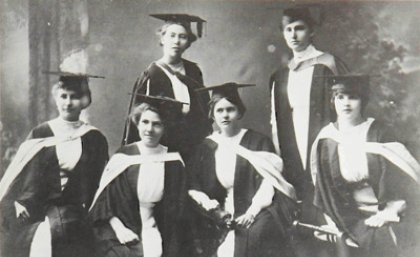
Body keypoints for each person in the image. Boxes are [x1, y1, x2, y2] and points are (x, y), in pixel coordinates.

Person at [0, 72, 109, 257]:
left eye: (74, 97)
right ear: (56, 98)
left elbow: (100, 182)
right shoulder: (41, 132)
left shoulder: (94, 138)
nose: (67, 103)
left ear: (84, 100)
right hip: (37, 209)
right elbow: (22, 176)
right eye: (63, 96)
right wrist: (19, 202)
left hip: (77, 211)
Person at [269, 6, 349, 256]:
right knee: (301, 212)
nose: (293, 34)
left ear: (311, 31)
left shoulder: (328, 63)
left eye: (299, 28)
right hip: (293, 145)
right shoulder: (280, 75)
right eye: (288, 29)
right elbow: (275, 120)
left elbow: (347, 108)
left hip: (324, 142)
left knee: (327, 207)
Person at [311, 75, 420, 257]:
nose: (346, 103)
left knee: (397, 236)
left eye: (353, 97)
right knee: (372, 237)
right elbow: (325, 189)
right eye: (340, 97)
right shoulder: (327, 139)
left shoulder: (379, 132)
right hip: (350, 214)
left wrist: (389, 211)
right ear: (333, 101)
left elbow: (401, 178)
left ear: (363, 101)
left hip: (391, 208)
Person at [187, 83, 297, 257]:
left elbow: (269, 183)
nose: (225, 115)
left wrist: (252, 212)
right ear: (213, 115)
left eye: (230, 109)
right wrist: (214, 211)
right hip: (220, 213)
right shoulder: (206, 147)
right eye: (219, 110)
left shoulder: (258, 141)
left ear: (239, 111)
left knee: (256, 237)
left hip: (258, 208)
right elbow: (195, 185)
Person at [89, 95, 187, 257]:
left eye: (157, 124)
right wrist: (120, 229)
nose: (149, 129)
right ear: (137, 123)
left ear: (165, 127)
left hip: (160, 228)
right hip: (122, 227)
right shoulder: (124, 157)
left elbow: (178, 209)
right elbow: (105, 204)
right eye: (145, 122)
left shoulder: (173, 160)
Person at [122, 13, 212, 159]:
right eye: (172, 35)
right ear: (163, 38)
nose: (176, 41)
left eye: (182, 37)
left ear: (188, 42)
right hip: (163, 146)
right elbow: (139, 119)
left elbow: (203, 109)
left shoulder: (193, 71)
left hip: (192, 145)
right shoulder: (152, 74)